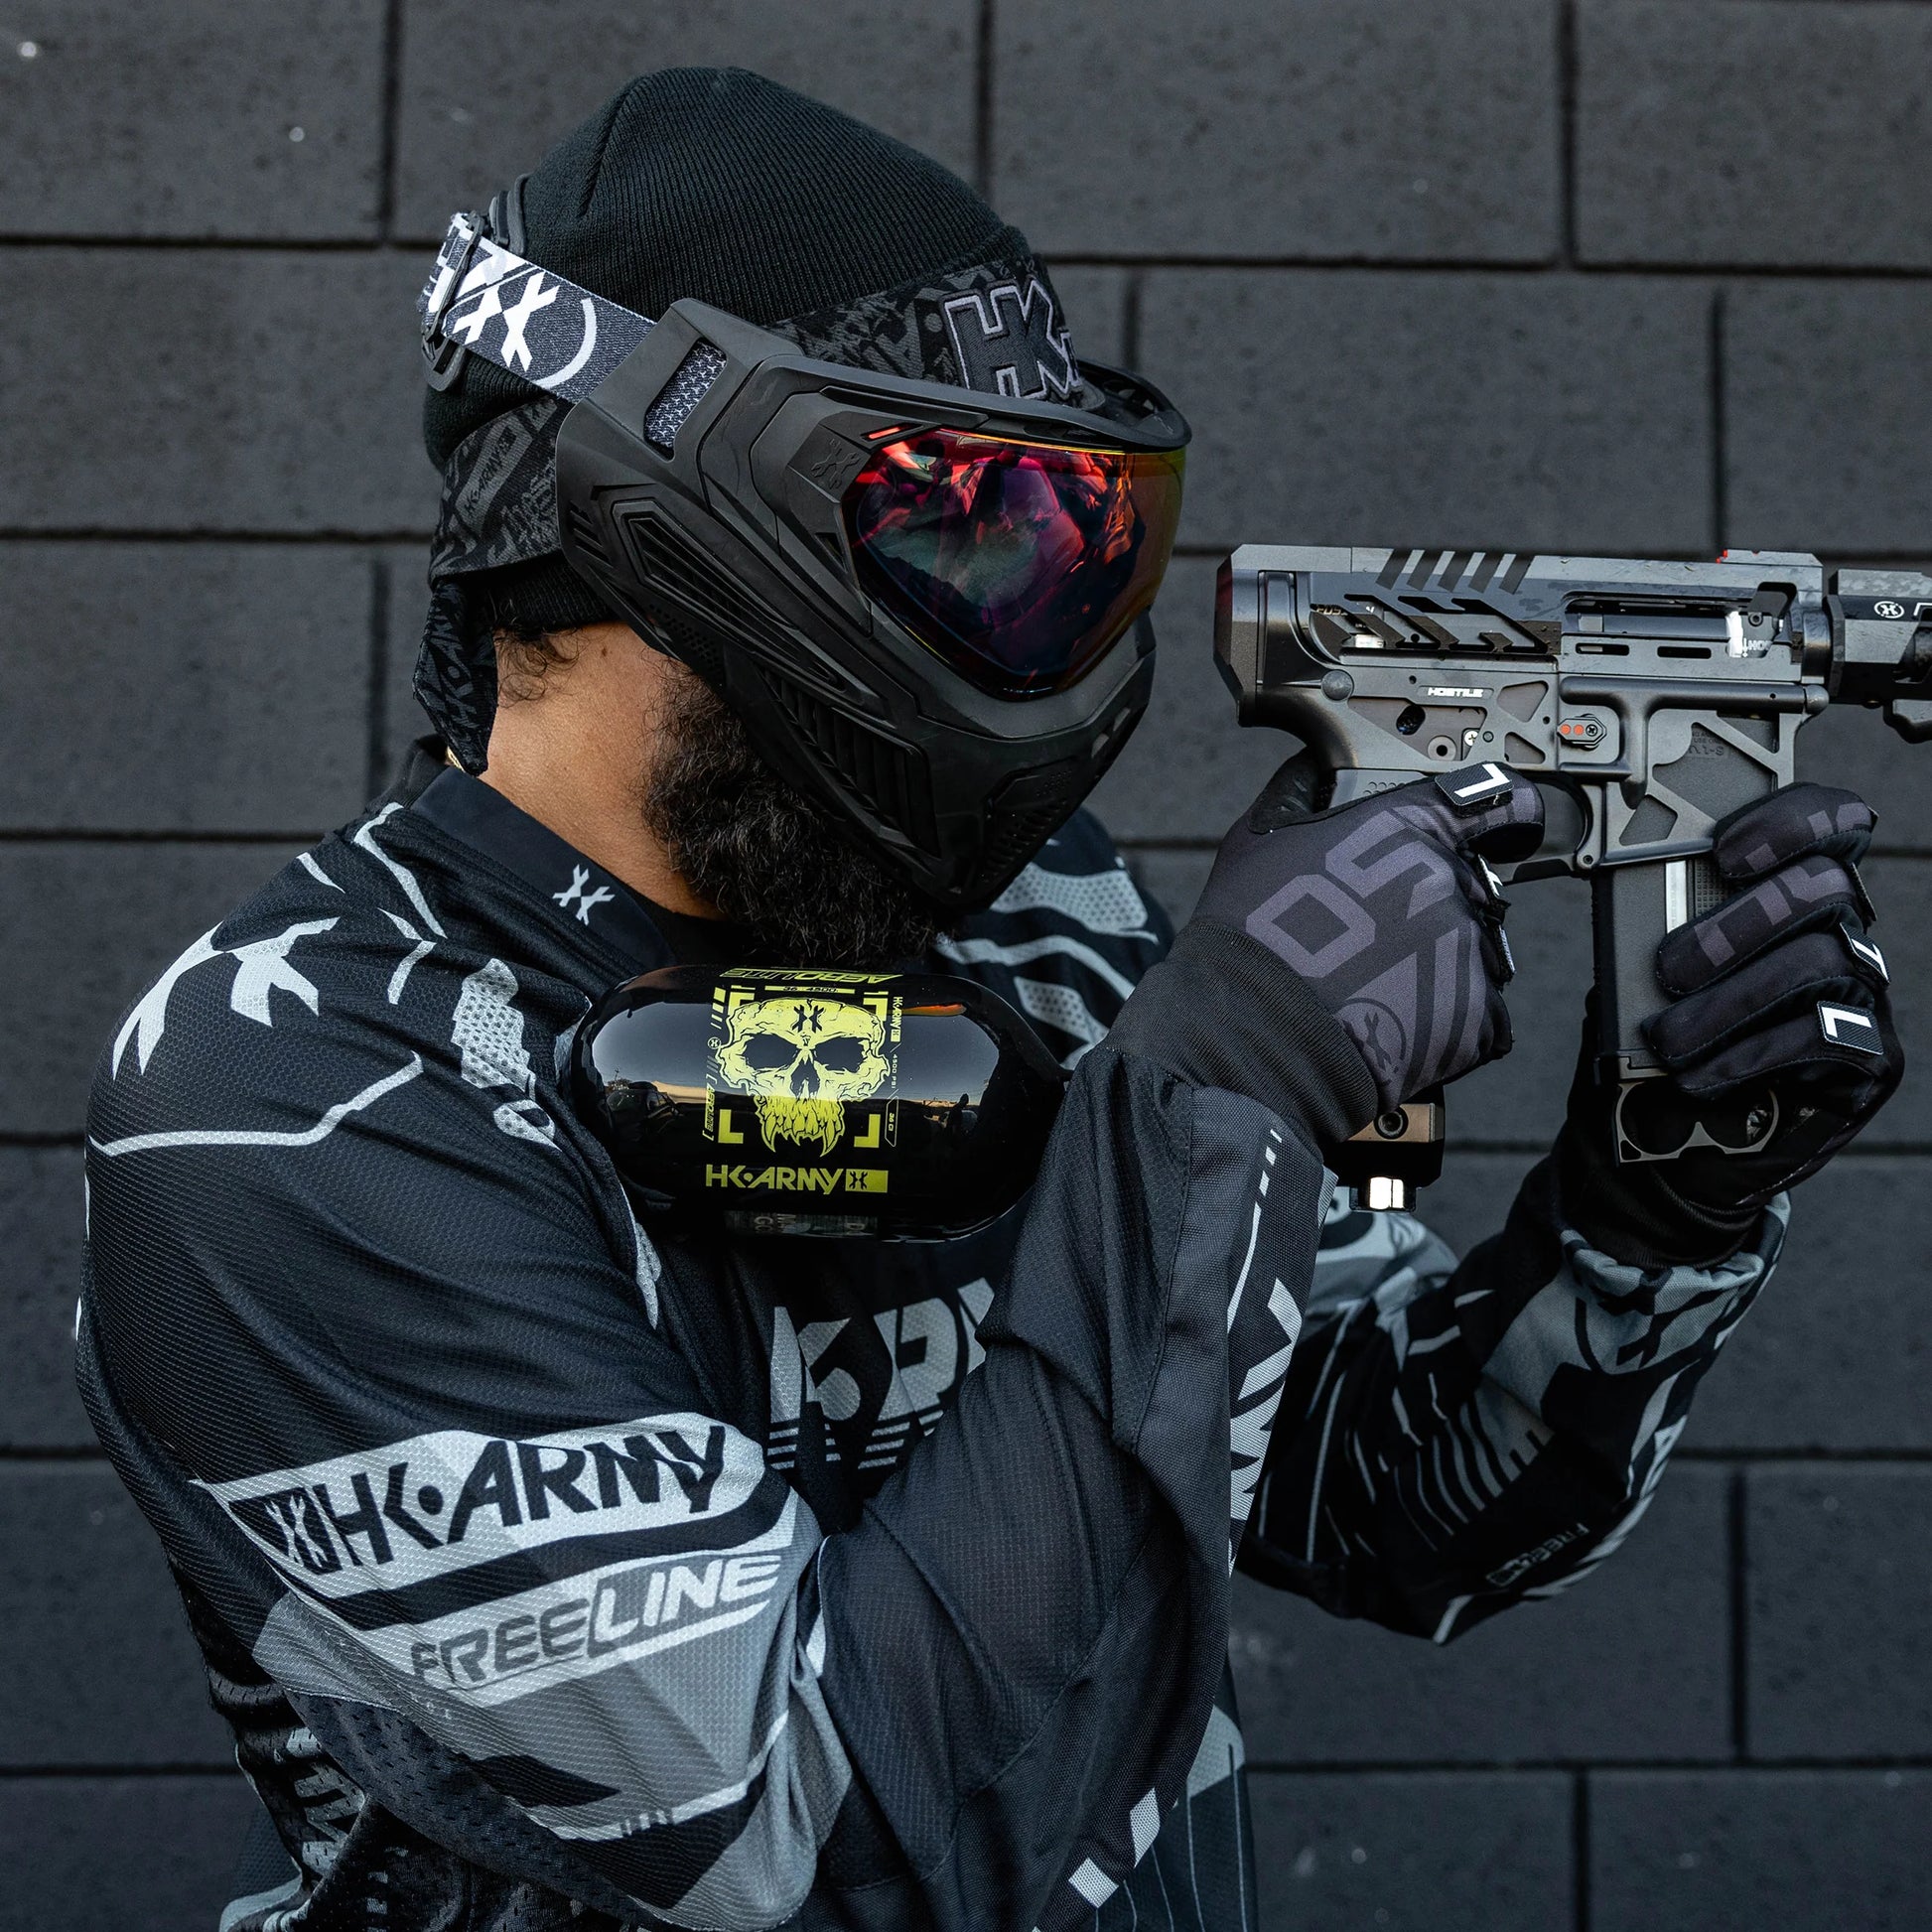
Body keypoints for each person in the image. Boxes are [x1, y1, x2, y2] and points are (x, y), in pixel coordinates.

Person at [79, 69, 1902, 1932]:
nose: (1034, 605)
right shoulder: (292, 1093)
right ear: (672, 522)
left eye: (1069, 538)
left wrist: (1653, 1206)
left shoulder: (1030, 915)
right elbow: (812, 1837)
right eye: (965, 531)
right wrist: (1216, 1094)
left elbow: (1386, 1495)